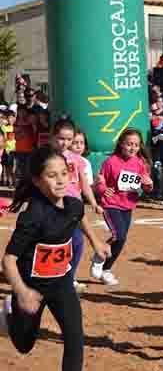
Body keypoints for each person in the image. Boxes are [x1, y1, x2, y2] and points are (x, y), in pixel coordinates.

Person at [0, 147, 110, 371]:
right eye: (52, 175)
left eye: (64, 173)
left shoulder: (73, 205)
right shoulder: (33, 216)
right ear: (38, 181)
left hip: (62, 283)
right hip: (32, 287)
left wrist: (96, 242)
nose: (60, 180)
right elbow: (8, 260)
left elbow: (78, 218)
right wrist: (21, 292)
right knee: (24, 345)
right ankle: (10, 312)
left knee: (74, 338)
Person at [90, 129, 153, 287]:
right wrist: (104, 189)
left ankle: (106, 269)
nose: (132, 148)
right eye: (129, 144)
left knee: (121, 238)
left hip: (128, 204)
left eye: (136, 145)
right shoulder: (111, 162)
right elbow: (100, 181)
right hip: (111, 204)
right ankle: (100, 255)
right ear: (121, 144)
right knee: (119, 235)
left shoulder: (139, 163)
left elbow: (146, 186)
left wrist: (148, 185)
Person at [49, 119, 103, 293]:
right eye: (61, 138)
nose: (65, 143)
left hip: (75, 208)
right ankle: (51, 277)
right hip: (54, 207)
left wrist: (93, 202)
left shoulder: (76, 159)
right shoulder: (47, 157)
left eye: (69, 139)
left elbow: (84, 184)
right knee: (56, 243)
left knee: (77, 243)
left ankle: (69, 278)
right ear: (52, 137)